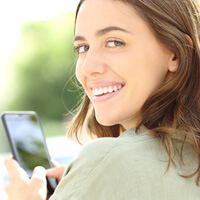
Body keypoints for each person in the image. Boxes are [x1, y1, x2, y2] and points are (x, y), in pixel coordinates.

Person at [4, 0, 200, 199]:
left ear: (176, 53)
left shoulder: (107, 160)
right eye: (82, 48)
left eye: (114, 42)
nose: (87, 67)